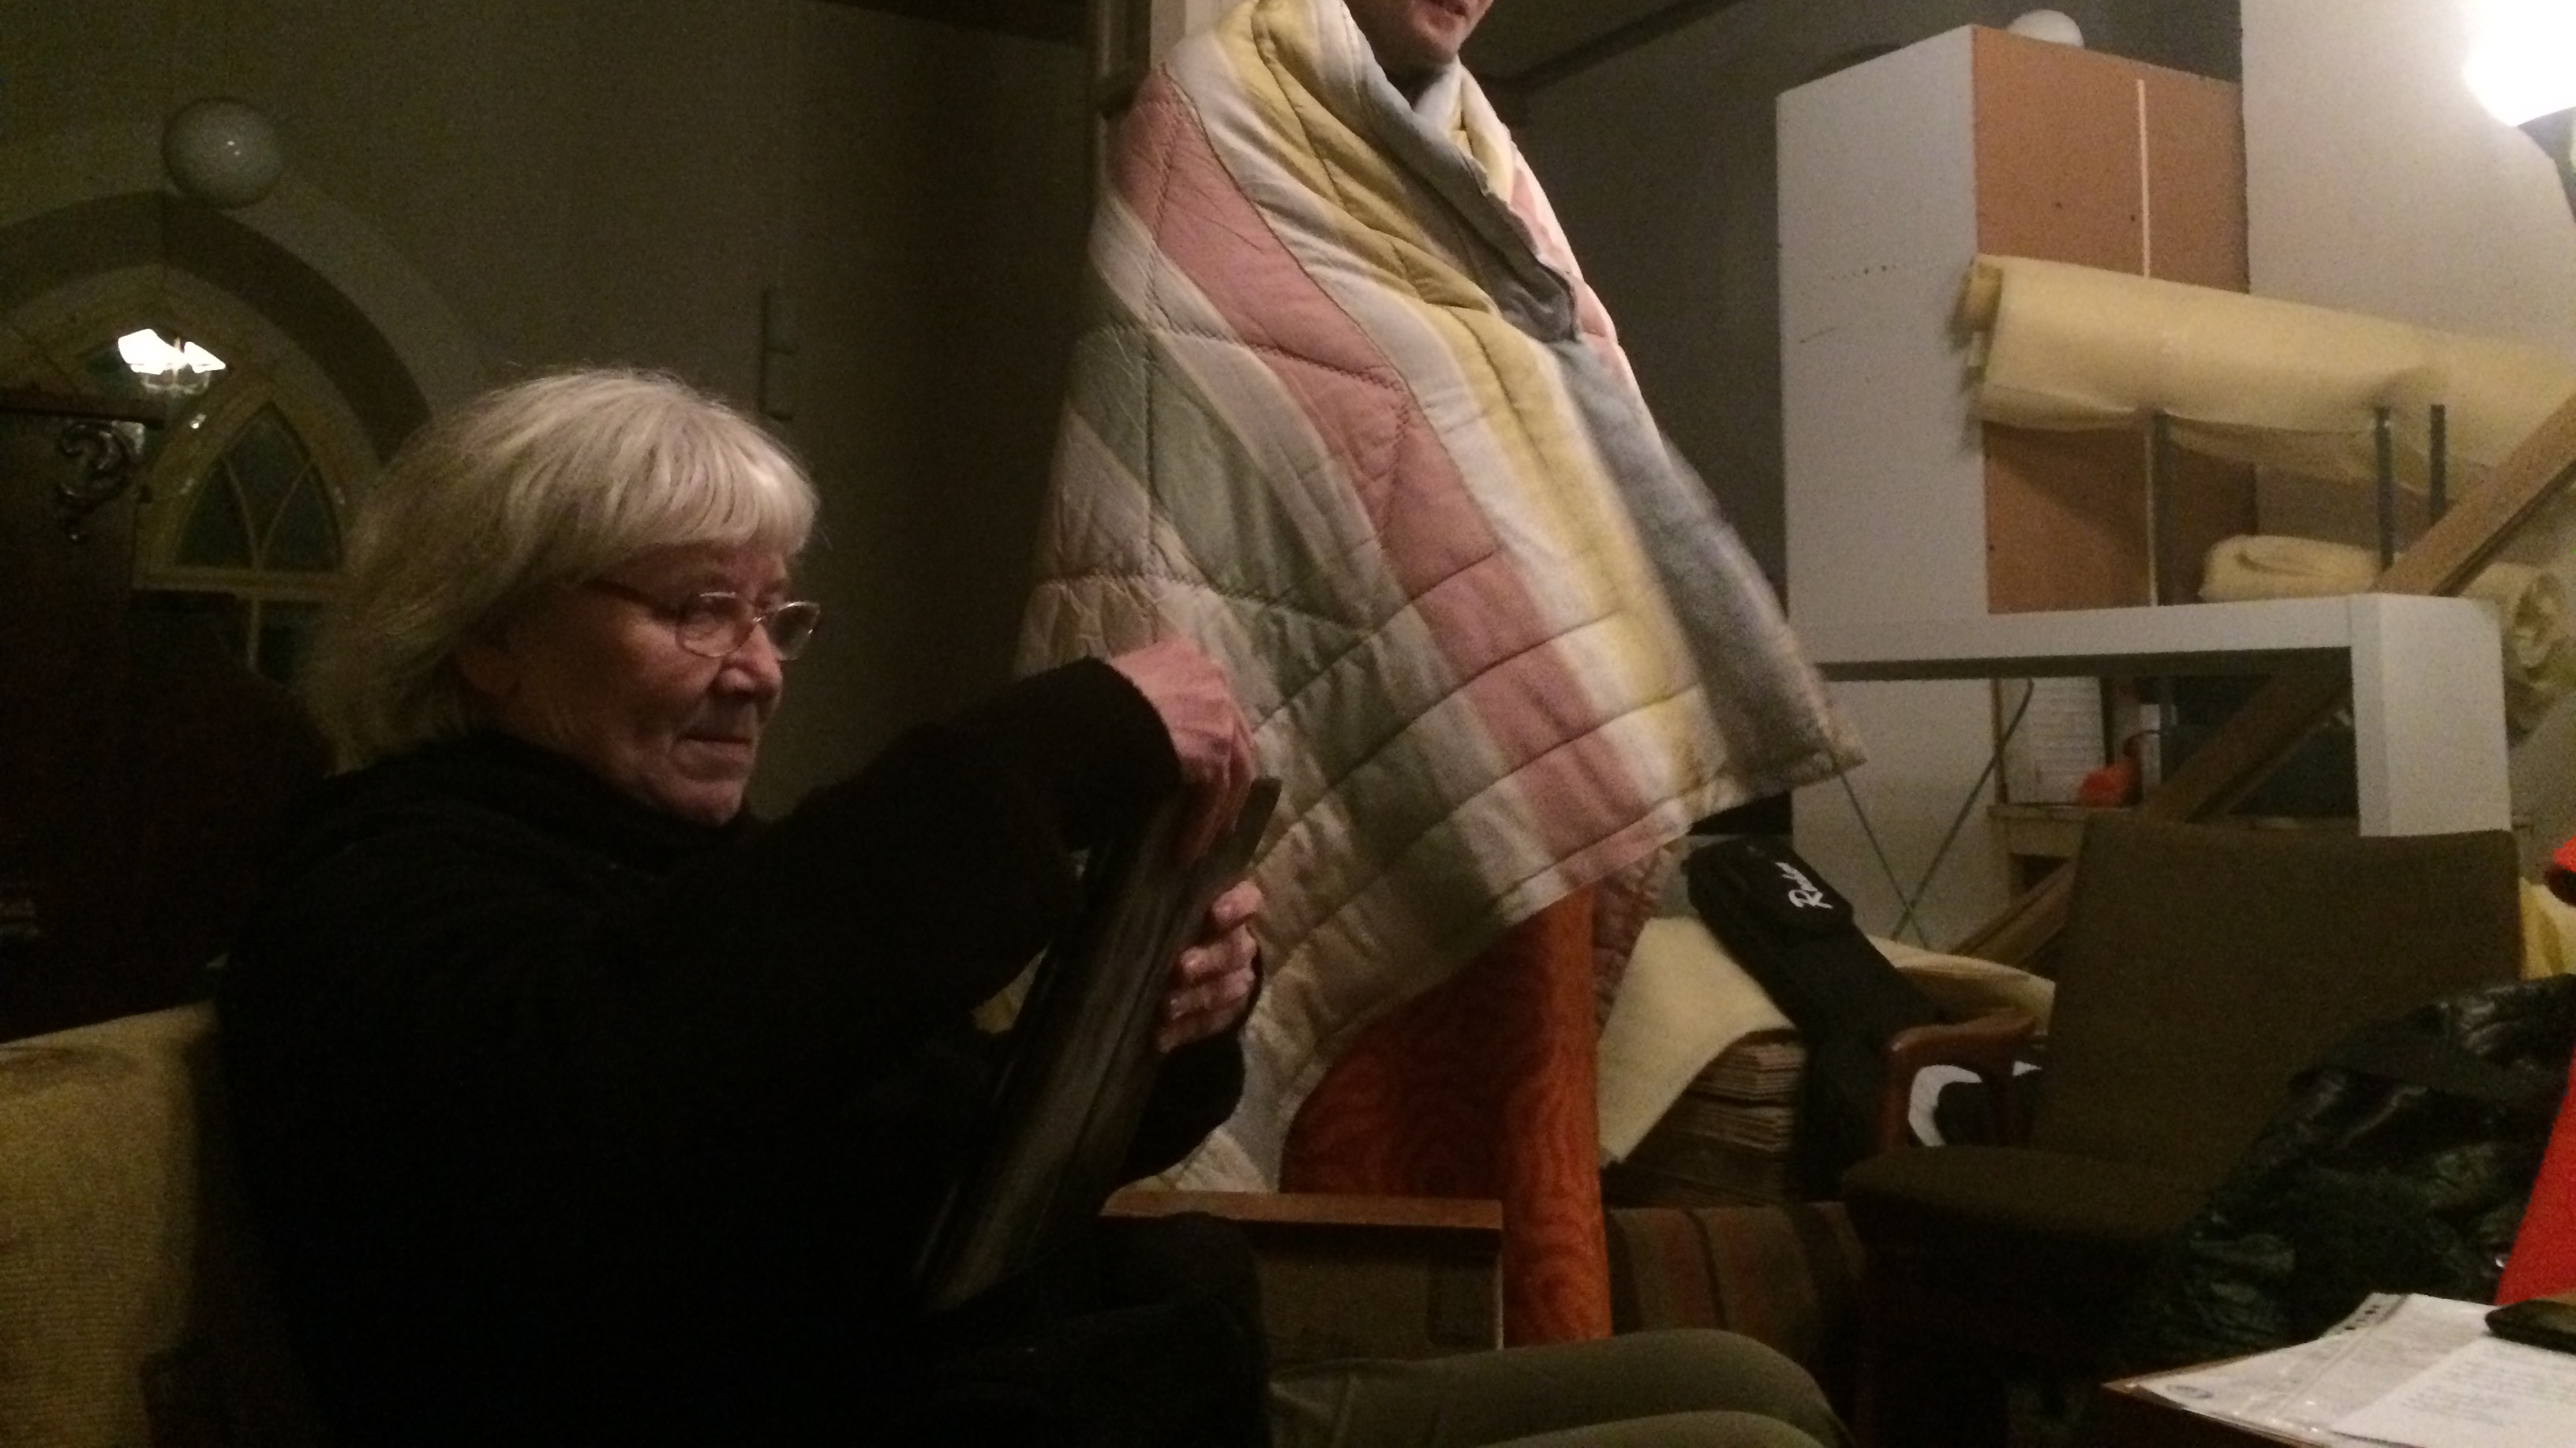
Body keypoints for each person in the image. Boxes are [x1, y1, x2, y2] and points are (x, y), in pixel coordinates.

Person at [223, 365, 1845, 1448]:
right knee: (1733, 1443)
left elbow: (937, 1154)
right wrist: (1061, 744)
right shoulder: (376, 883)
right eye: (697, 611)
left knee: (1746, 1378)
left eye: (775, 616)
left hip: (1043, 1394)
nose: (758, 671)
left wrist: (1148, 1031)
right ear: (487, 635)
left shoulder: (657, 870)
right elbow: (618, 1064)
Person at [1019, 0, 1859, 1323]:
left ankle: (1529, 1380)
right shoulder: (1206, 109)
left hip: (1507, 720)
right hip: (1328, 692)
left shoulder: (1487, 152)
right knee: (1339, 1114)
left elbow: (1572, 390)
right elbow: (1182, 417)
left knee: (1512, 1113)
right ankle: (1327, 1374)